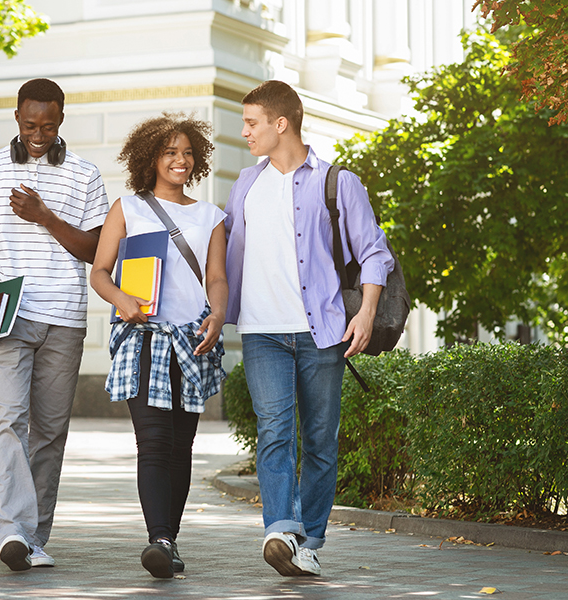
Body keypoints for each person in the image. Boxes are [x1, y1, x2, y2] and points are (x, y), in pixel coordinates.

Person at [225, 80, 394, 576]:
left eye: (252, 122)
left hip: (323, 331)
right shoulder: (245, 184)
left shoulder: (338, 182)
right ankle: (281, 529)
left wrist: (364, 313)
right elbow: (223, 248)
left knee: (320, 440)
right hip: (262, 332)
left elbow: (373, 253)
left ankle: (310, 541)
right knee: (275, 431)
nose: (245, 132)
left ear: (282, 124)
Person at [0, 78, 109, 571]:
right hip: (10, 311)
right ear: (17, 117)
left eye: (47, 125)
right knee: (8, 420)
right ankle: (11, 531)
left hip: (65, 317)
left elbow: (94, 251)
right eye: (29, 125)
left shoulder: (86, 175)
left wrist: (44, 215)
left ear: (62, 118)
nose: (37, 134)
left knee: (50, 431)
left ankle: (34, 536)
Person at [90, 113, 228, 579]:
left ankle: (169, 539)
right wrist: (121, 299)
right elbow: (99, 272)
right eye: (170, 152)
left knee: (181, 446)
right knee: (152, 443)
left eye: (188, 153)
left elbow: (217, 278)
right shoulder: (128, 209)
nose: (181, 160)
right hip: (143, 340)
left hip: (192, 338)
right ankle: (159, 540)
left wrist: (219, 314)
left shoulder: (210, 216)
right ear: (150, 157)